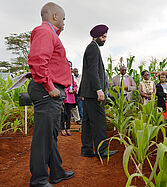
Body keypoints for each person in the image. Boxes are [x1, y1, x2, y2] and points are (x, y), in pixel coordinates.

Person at [27, 2, 74, 186]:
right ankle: (38, 180)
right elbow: (38, 61)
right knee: (43, 138)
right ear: (54, 16)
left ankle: (56, 172)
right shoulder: (45, 32)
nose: (64, 21)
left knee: (50, 136)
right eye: (63, 18)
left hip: (52, 92)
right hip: (48, 91)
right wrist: (49, 86)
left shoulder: (50, 34)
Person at [79, 24, 118, 159]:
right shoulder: (93, 48)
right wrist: (99, 89)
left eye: (106, 36)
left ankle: (87, 149)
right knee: (99, 121)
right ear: (96, 36)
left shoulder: (92, 48)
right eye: (103, 36)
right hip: (93, 93)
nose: (105, 39)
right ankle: (101, 150)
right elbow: (93, 71)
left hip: (88, 93)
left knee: (88, 122)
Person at [61, 62, 77, 136]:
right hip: (63, 97)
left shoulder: (71, 77)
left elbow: (75, 86)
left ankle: (68, 128)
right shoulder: (61, 75)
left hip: (70, 98)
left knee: (69, 114)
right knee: (63, 114)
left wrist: (74, 90)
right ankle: (62, 128)